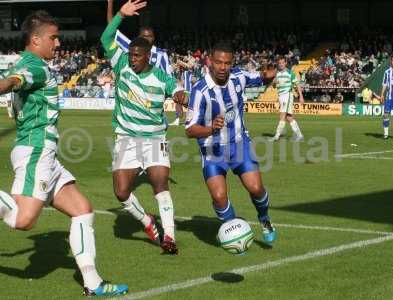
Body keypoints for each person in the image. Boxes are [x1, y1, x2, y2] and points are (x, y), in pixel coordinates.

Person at [0, 10, 127, 296]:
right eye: (53, 38)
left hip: (45, 153)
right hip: (36, 150)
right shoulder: (34, 66)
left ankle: (93, 283)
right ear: (35, 39)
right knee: (23, 220)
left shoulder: (29, 63)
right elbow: (11, 83)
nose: (58, 43)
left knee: (82, 210)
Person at [101, 0, 186, 254]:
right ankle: (147, 222)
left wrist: (182, 96)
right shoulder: (121, 64)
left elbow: (178, 90)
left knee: (160, 186)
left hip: (154, 139)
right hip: (126, 138)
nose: (133, 60)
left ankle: (169, 236)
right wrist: (119, 15)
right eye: (131, 56)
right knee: (121, 192)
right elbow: (106, 37)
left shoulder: (162, 77)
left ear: (148, 57)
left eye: (137, 56)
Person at [185, 42, 277, 246]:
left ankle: (264, 219)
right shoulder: (199, 91)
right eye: (218, 62)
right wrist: (210, 128)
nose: (223, 67)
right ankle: (236, 234)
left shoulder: (239, 77)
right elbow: (190, 130)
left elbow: (262, 77)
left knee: (256, 188)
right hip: (212, 150)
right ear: (210, 62)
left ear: (231, 63)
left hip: (238, 144)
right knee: (219, 197)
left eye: (227, 63)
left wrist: (269, 74)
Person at [106, 0, 183, 126]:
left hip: (153, 110)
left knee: (159, 142)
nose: (147, 38)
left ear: (154, 38)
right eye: (144, 36)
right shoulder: (131, 48)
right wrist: (111, 4)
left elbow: (171, 81)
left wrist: (178, 103)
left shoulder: (161, 55)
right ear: (139, 37)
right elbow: (111, 30)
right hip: (131, 111)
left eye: (150, 36)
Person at [270, 56, 304, 141]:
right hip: (281, 96)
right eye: (279, 63)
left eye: (282, 62)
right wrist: (274, 83)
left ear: (285, 63)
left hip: (287, 95)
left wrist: (301, 96)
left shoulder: (290, 73)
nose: (280, 64)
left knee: (282, 115)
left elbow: (297, 84)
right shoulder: (277, 73)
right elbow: (274, 86)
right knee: (289, 117)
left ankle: (276, 136)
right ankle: (299, 135)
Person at [380, 52, 393, 139]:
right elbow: (384, 84)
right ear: (391, 61)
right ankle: (386, 134)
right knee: (386, 114)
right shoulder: (387, 72)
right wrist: (382, 95)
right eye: (392, 60)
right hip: (389, 97)